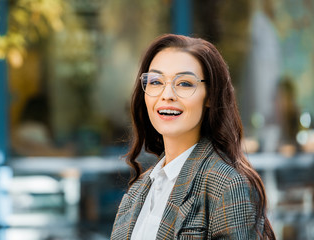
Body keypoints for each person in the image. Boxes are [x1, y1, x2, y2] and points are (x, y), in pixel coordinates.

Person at [110, 34, 276, 240]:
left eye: (185, 83)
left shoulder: (228, 185)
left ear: (209, 96)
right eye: (155, 81)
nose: (167, 94)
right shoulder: (137, 192)